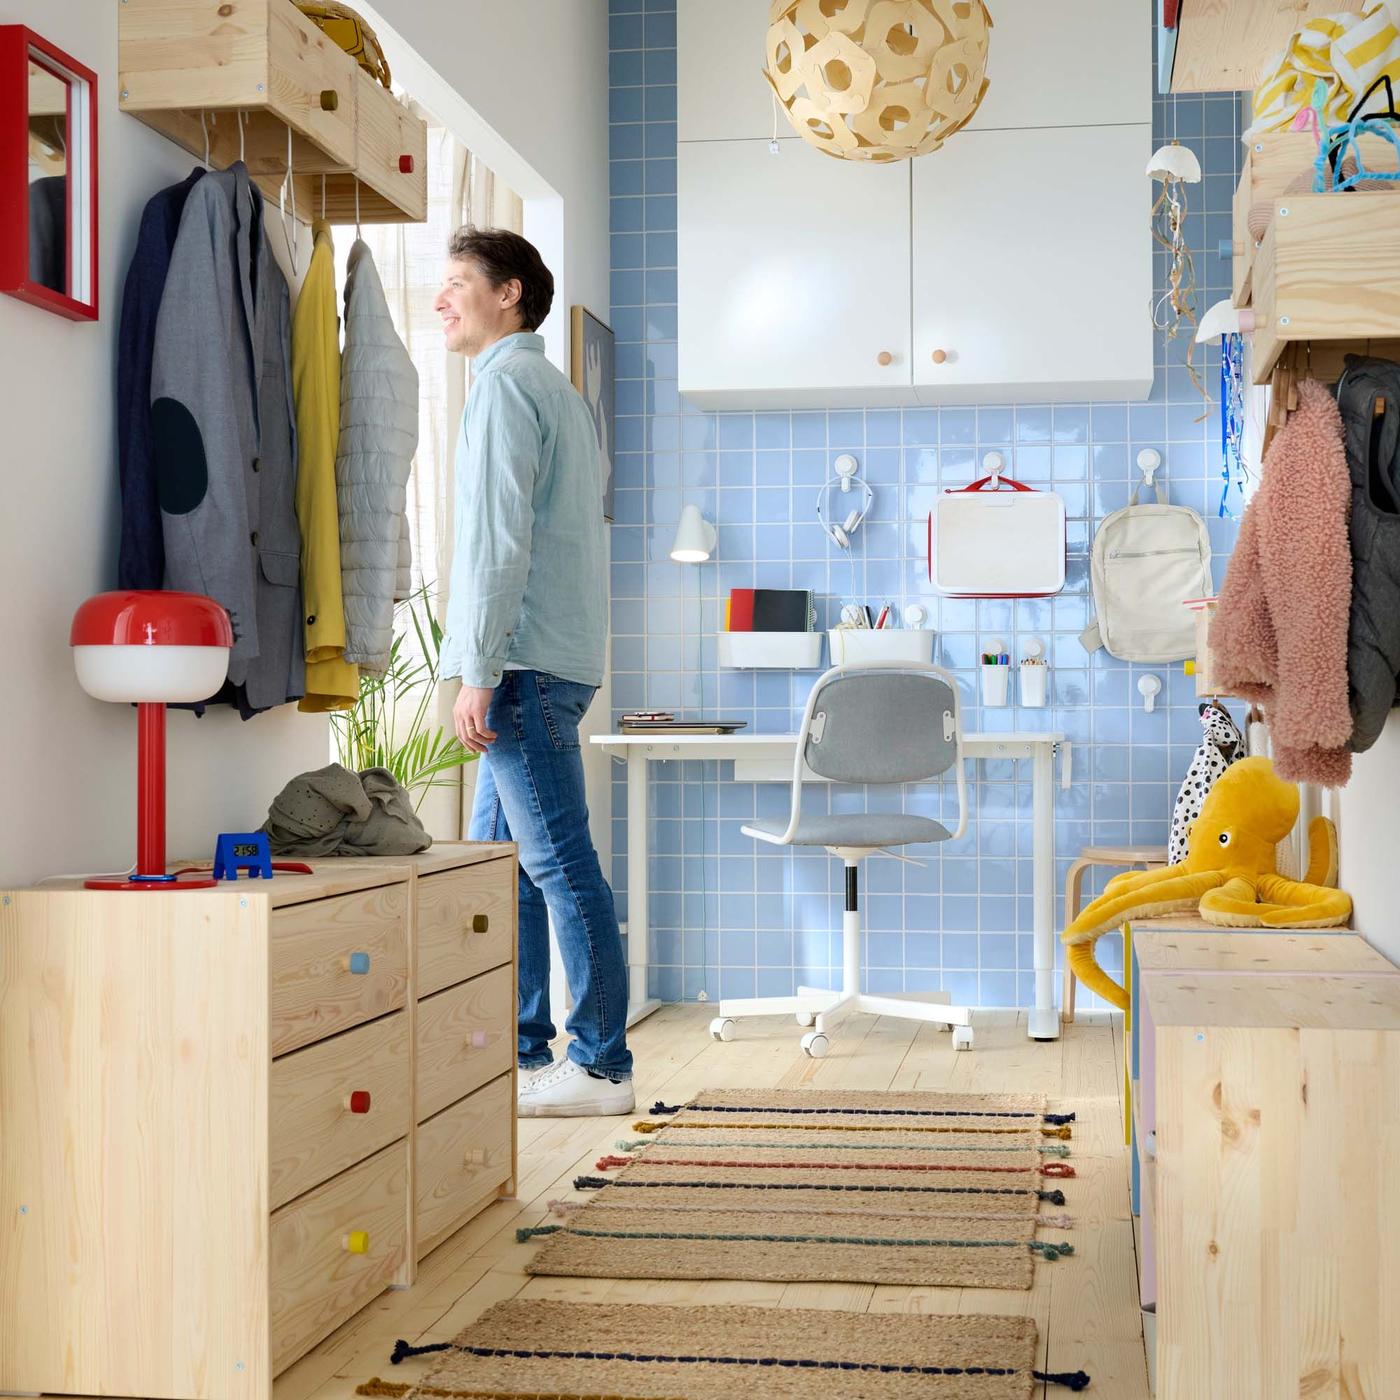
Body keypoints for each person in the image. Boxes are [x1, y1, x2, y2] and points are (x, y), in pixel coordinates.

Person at [436, 226, 632, 1117]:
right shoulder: (554, 391)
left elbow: (496, 544)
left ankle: (600, 1067)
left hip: (520, 666)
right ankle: (518, 1053)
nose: (440, 300)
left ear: (508, 292)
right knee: (503, 864)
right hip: (547, 659)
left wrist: (478, 670)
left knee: (556, 864)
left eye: (456, 284)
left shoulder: (507, 387)